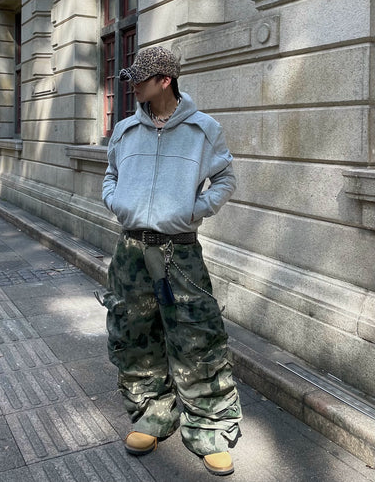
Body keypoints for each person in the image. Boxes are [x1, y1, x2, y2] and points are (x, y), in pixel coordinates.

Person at [101, 46, 242, 476]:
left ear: (165, 80)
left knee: (197, 336)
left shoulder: (203, 130)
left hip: (179, 250)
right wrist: (117, 202)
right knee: (133, 332)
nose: (132, 85)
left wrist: (193, 210)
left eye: (139, 79)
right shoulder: (125, 130)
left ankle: (209, 428)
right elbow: (110, 175)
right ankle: (151, 415)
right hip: (131, 250)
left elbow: (225, 178)